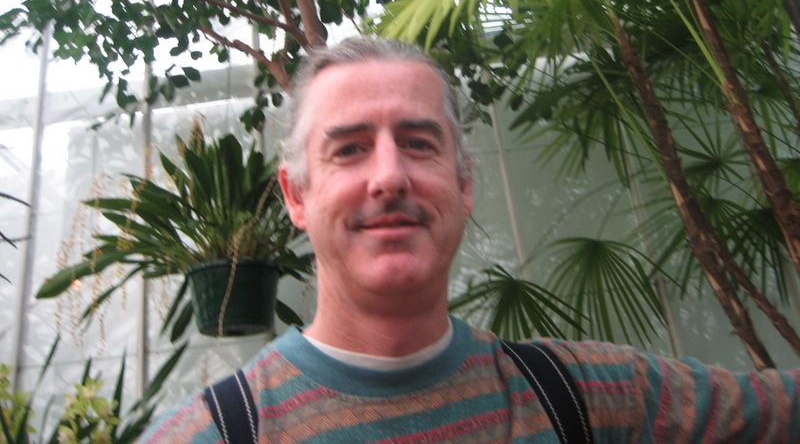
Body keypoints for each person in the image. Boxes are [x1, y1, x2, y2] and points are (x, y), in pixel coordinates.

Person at [140, 36, 800, 443]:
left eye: (418, 143)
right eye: (350, 149)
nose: (389, 176)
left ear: (463, 184)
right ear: (297, 197)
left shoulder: (590, 398)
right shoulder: (220, 433)